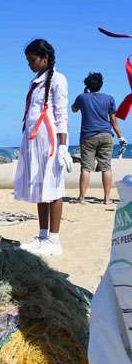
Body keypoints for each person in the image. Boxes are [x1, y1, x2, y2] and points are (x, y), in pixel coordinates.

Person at [15, 39, 73, 256]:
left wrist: (63, 146)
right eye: (28, 61)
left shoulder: (59, 79)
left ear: (45, 58)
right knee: (40, 186)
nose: (30, 64)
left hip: (49, 140)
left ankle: (54, 239)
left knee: (54, 188)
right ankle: (42, 236)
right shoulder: (36, 80)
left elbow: (61, 114)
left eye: (32, 60)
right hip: (33, 140)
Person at [71, 72, 126, 204]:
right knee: (106, 167)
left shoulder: (82, 97)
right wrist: (120, 137)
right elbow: (113, 120)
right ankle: (107, 199)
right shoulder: (110, 98)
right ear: (101, 85)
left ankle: (82, 198)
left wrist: (85, 93)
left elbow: (73, 109)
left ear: (87, 85)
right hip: (106, 135)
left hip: (88, 136)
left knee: (86, 168)